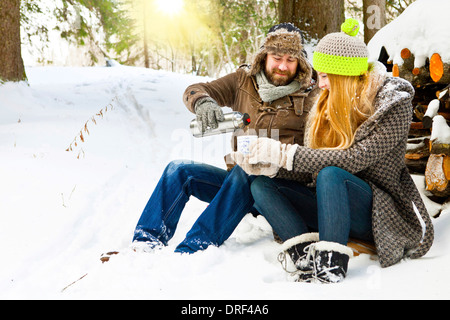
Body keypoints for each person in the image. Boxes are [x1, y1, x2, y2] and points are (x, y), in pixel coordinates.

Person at [232, 19, 434, 283]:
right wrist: (270, 164)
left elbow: (356, 158)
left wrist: (284, 153)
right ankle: (302, 256)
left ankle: (330, 267)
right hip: (330, 205)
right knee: (261, 184)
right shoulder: (325, 104)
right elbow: (310, 173)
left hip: (377, 213)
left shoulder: (393, 104)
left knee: (331, 174)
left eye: (325, 76)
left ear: (344, 76)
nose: (320, 84)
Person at [128, 23, 320, 255]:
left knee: (249, 169)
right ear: (264, 55)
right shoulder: (243, 80)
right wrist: (202, 102)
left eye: (291, 59)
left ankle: (194, 246)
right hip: (236, 186)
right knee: (178, 170)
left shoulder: (314, 95)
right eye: (277, 57)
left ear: (300, 62)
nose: (282, 66)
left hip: (278, 190)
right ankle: (147, 240)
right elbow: (197, 88)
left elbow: (316, 157)